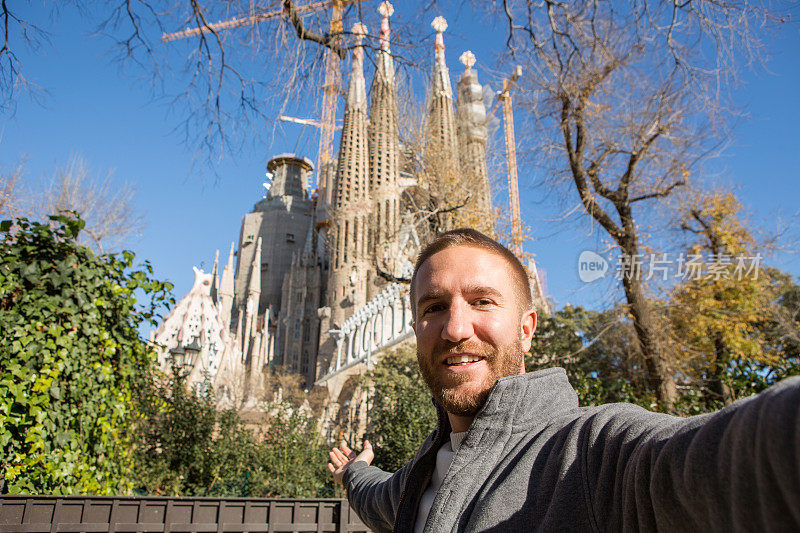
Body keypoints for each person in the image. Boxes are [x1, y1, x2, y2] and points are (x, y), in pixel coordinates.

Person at [327, 228, 800, 532]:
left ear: (527, 328)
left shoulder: (590, 455)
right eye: (434, 308)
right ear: (416, 332)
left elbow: (718, 460)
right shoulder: (417, 479)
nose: (455, 328)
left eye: (483, 302)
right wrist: (352, 470)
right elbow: (374, 497)